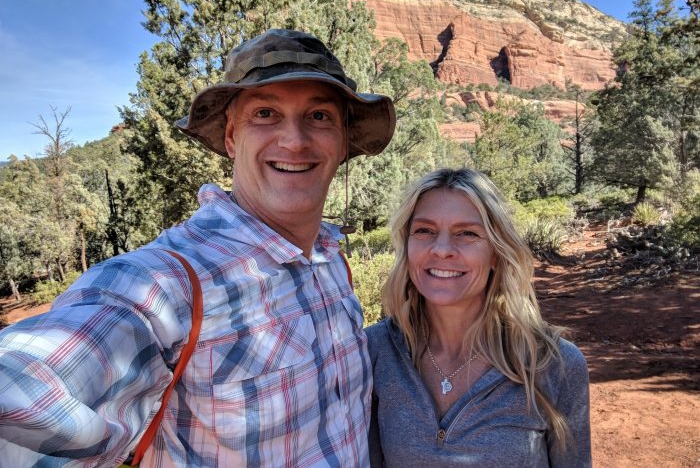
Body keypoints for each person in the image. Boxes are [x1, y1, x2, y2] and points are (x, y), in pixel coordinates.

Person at [0, 29, 396, 467]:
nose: (295, 140)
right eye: (265, 113)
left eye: (319, 116)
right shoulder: (166, 283)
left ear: (342, 143)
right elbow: (32, 385)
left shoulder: (331, 261)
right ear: (231, 138)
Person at [366, 168, 591, 467]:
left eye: (467, 233)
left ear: (496, 253)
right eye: (424, 231)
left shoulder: (554, 364)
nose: (442, 250)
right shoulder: (375, 351)